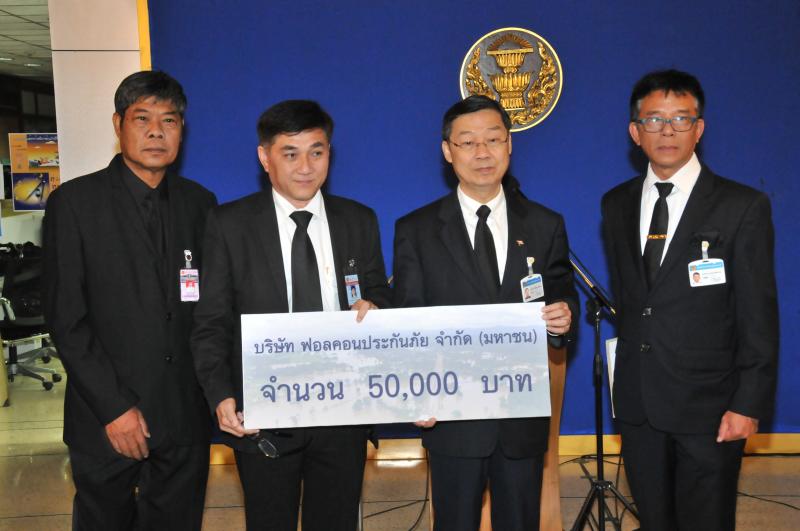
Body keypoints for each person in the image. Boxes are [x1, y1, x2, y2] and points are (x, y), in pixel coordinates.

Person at [191, 100, 391, 531]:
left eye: (317, 152)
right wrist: (220, 394)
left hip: (342, 411)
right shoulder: (230, 224)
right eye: (290, 153)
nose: (305, 167)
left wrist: (375, 307)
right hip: (263, 413)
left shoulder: (358, 220)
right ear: (265, 157)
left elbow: (379, 294)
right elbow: (211, 322)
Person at [601, 69, 778, 531]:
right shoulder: (616, 204)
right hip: (639, 405)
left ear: (699, 129)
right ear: (635, 131)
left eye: (681, 119)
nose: (667, 131)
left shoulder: (741, 206)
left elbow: (758, 314)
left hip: (711, 405)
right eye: (654, 120)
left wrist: (748, 403)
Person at [392, 95, 577, 531]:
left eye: (493, 139)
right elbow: (408, 319)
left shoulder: (545, 224)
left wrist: (563, 318)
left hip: (520, 416)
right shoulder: (416, 230)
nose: (482, 152)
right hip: (451, 416)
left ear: (509, 145)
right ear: (447, 151)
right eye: (468, 142)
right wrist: (415, 394)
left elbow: (562, 293)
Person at [42, 71, 217, 530]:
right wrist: (115, 408)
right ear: (118, 124)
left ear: (182, 130)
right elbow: (66, 319)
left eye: (169, 120)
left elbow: (210, 310)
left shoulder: (201, 204)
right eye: (143, 119)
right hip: (106, 419)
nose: (156, 131)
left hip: (184, 417)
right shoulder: (74, 204)